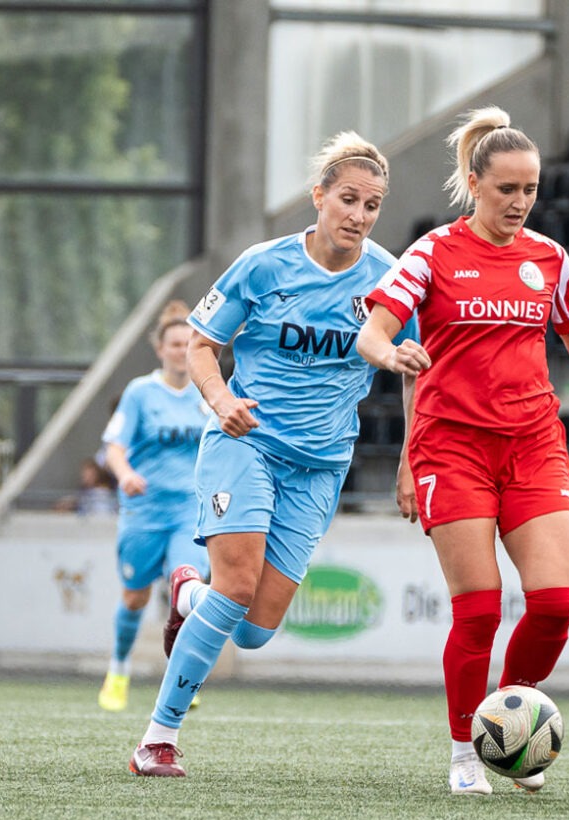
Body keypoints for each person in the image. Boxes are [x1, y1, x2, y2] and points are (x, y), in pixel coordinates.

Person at [356, 107, 569, 795]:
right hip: (453, 447)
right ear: (475, 183)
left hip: (534, 444)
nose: (520, 202)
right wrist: (392, 354)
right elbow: (375, 331)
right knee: (478, 608)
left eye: (530, 189)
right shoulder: (434, 254)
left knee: (556, 603)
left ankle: (508, 721)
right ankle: (463, 753)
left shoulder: (549, 258)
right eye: (507, 189)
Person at [128, 132, 418, 777]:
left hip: (321, 465)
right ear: (318, 197)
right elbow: (202, 345)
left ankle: (186, 596)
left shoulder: (390, 281)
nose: (359, 216)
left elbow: (414, 369)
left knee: (256, 629)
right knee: (235, 587)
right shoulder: (263, 265)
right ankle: (158, 739)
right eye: (348, 199)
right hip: (245, 442)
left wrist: (409, 459)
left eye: (372, 205)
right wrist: (218, 398)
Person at [96, 301, 211, 712]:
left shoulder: (208, 389)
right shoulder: (141, 393)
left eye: (188, 343)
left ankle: (183, 681)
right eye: (175, 344)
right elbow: (114, 447)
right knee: (135, 598)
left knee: (187, 591)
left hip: (190, 514)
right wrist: (125, 474)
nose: (182, 350)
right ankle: (119, 668)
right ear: (161, 349)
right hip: (144, 512)